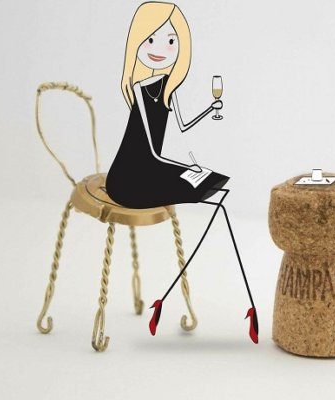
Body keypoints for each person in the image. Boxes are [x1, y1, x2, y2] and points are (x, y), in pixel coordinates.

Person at [106, 2, 258, 344]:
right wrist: (186, 170)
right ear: (137, 42)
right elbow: (151, 151)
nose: (161, 49)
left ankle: (173, 300)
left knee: (218, 189)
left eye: (171, 41)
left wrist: (209, 110)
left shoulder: (166, 89)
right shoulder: (140, 91)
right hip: (130, 177)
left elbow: (183, 127)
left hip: (153, 167)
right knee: (211, 192)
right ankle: (168, 299)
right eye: (151, 40)